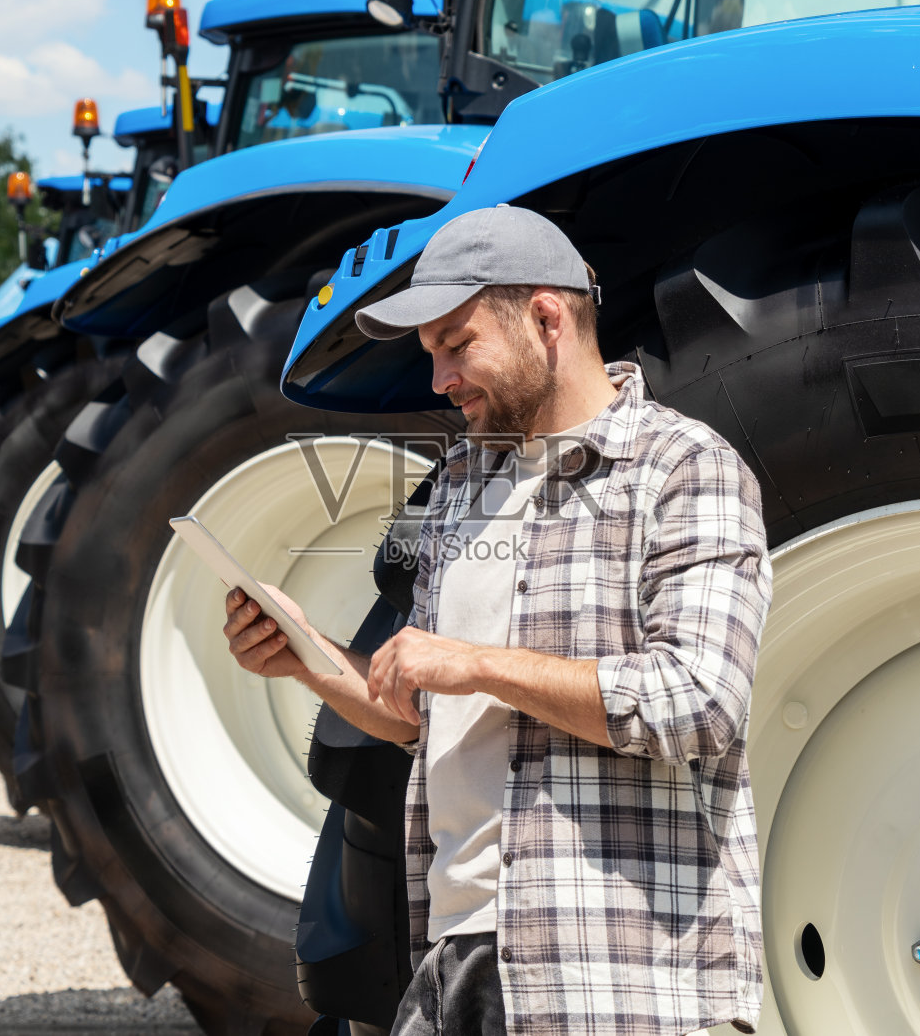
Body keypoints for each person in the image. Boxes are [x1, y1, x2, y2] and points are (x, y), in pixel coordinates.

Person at [223, 205, 772, 1036]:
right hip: (457, 962)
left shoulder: (684, 469)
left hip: (613, 979)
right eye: (431, 353)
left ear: (547, 316)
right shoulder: (461, 486)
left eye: (456, 342)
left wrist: (477, 662)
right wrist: (305, 654)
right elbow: (422, 715)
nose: (440, 378)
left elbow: (699, 703)